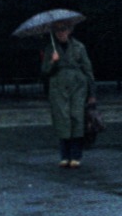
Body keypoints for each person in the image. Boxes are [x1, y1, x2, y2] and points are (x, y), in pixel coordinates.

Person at [40, 21, 95, 168]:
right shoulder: (50, 48)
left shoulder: (79, 47)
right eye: (57, 30)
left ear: (69, 30)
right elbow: (45, 70)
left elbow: (88, 69)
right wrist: (52, 61)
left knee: (76, 117)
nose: (61, 33)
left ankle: (76, 155)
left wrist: (92, 93)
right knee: (62, 119)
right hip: (58, 86)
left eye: (63, 30)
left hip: (77, 86)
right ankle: (65, 155)